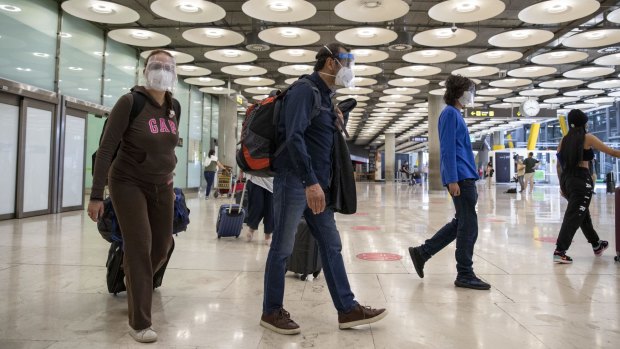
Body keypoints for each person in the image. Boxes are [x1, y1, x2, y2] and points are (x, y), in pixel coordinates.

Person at [261, 43, 387, 335]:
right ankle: (271, 311)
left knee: (331, 246)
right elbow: (293, 137)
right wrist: (310, 182)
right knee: (282, 246)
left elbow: (317, 137)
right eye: (348, 62)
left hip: (316, 185)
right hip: (297, 181)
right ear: (331, 63)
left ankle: (347, 309)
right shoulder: (305, 89)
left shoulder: (326, 96)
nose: (350, 69)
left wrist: (336, 120)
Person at [87, 50, 180, 343]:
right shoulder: (130, 102)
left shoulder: (174, 105)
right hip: (128, 183)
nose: (162, 70)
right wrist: (96, 195)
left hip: (162, 185)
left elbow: (168, 145)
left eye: (167, 66)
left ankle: (133, 276)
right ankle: (139, 322)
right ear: (144, 71)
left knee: (162, 246)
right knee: (140, 247)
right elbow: (105, 150)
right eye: (156, 65)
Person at [408, 74, 490, 290]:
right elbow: (447, 148)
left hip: (464, 175)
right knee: (468, 226)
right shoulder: (450, 114)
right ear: (459, 92)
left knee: (461, 223)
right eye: (469, 90)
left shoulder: (455, 114)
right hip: (461, 177)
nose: (471, 95)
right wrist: (452, 178)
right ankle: (464, 273)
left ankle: (422, 253)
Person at [553, 109, 614, 263]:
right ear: (584, 122)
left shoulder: (563, 140)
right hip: (581, 181)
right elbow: (611, 152)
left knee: (582, 214)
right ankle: (560, 251)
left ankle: (596, 244)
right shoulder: (587, 138)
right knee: (574, 216)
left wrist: (562, 185)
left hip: (567, 180)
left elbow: (559, 166)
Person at [245, 174, 274, 246]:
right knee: (257, 206)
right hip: (256, 178)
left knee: (270, 209)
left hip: (272, 180)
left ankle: (268, 235)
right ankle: (252, 228)